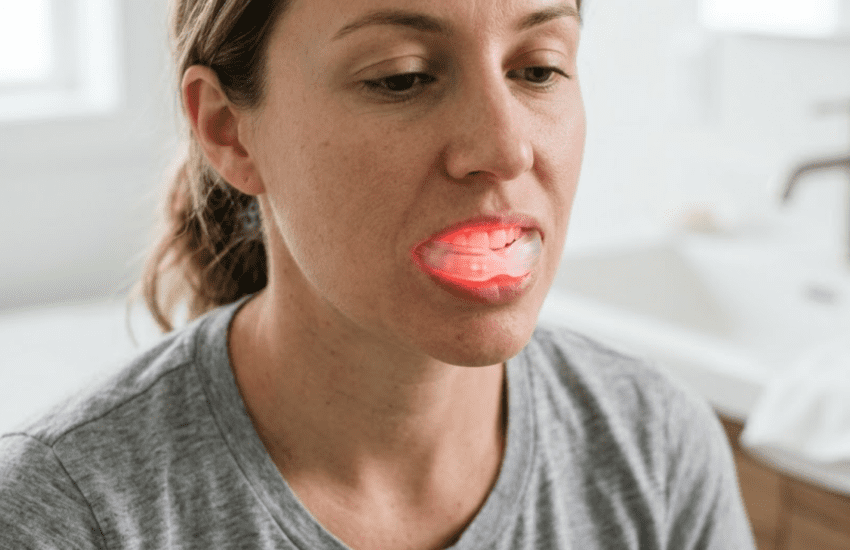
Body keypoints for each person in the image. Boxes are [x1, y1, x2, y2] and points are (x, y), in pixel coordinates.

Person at [0, 0, 758, 548]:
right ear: (229, 130)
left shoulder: (654, 446)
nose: (505, 146)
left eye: (537, 69)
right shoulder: (64, 517)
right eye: (401, 78)